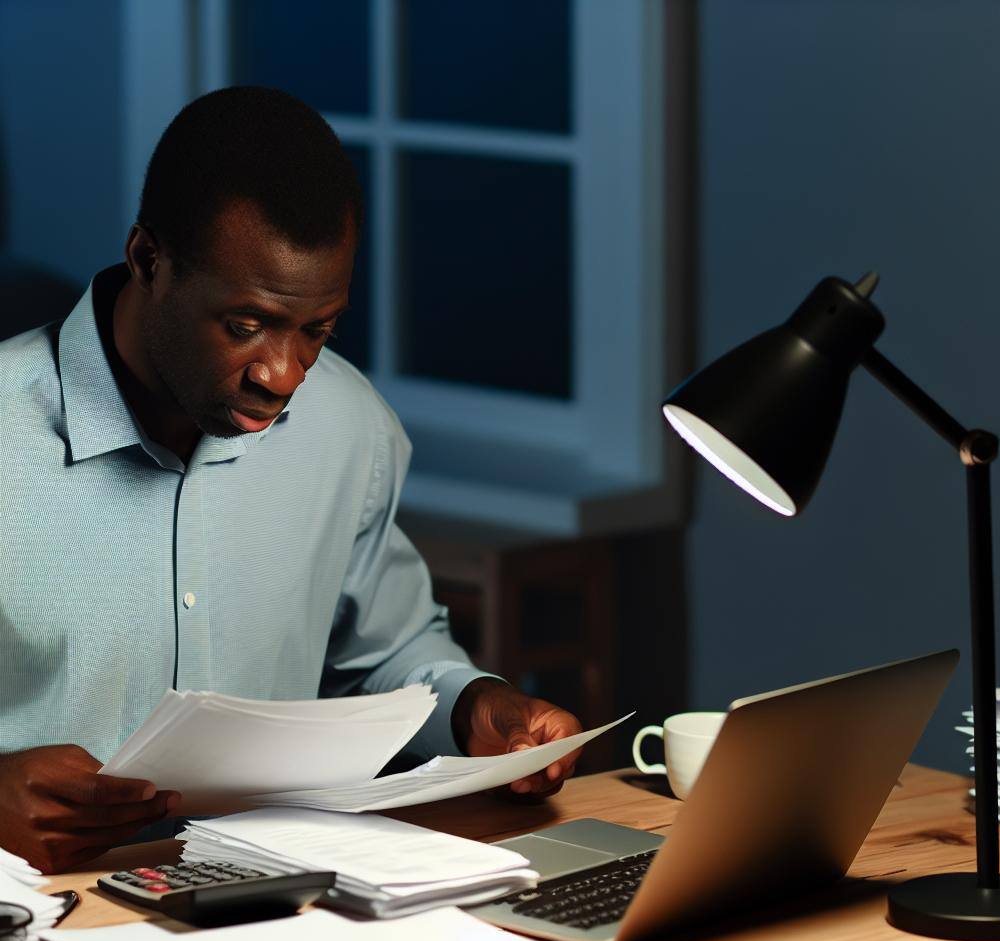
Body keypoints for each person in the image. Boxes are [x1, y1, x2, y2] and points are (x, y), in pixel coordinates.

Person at [0, 87, 582, 873]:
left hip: (279, 915)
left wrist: (478, 707)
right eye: (245, 325)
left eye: (317, 330)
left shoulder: (349, 427)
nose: (282, 375)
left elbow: (387, 653)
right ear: (149, 261)